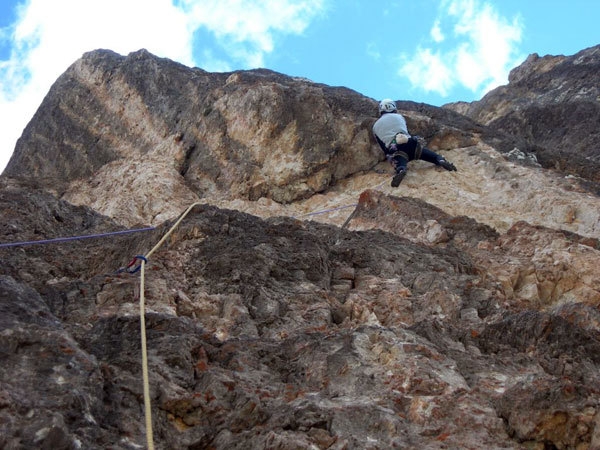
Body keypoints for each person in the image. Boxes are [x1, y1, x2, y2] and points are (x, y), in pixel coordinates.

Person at [372, 99, 457, 187]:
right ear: (393, 107)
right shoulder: (399, 117)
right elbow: (406, 131)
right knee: (432, 156)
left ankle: (401, 169)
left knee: (400, 161)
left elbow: (383, 148)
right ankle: (441, 160)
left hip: (396, 148)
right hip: (410, 142)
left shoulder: (375, 127)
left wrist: (390, 157)